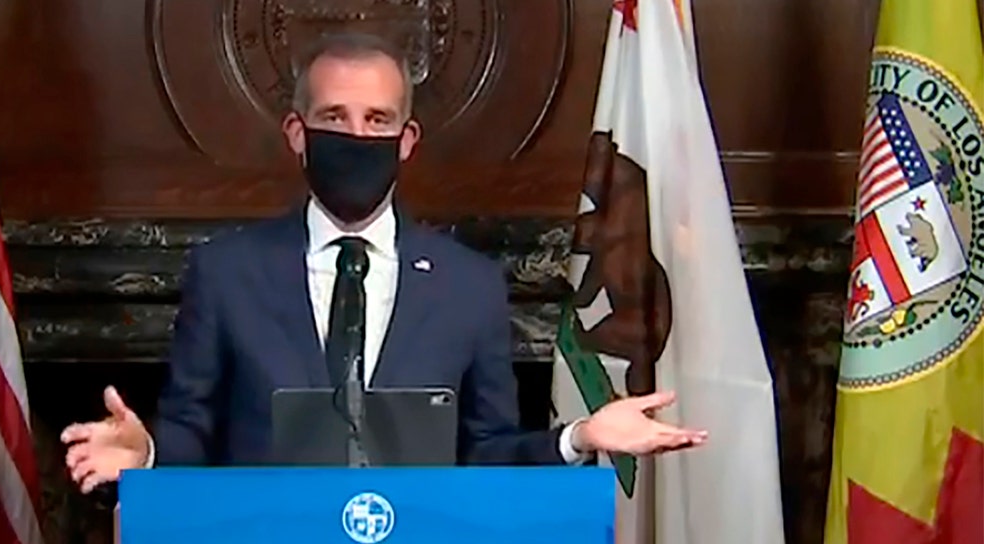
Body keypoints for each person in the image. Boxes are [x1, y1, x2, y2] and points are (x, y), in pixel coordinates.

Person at [62, 32, 707, 493]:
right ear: (297, 133)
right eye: (335, 117)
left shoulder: (469, 287)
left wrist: (579, 438)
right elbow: (194, 432)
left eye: (378, 119)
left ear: (407, 141)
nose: (357, 136)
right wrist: (145, 451)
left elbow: (487, 454)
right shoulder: (226, 273)